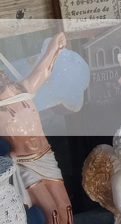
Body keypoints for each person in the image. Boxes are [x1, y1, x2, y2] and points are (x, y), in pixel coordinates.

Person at [0, 33, 73, 224]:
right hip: (24, 163)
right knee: (51, 212)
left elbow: (45, 70)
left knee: (66, 208)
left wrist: (54, 46)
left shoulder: (24, 90)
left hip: (46, 156)